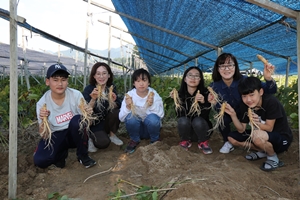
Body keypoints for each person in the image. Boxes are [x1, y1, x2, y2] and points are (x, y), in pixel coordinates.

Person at [209, 53, 277, 154]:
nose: (226, 69)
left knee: (256, 124)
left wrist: (268, 78)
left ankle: (261, 141)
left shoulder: (245, 80)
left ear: (235, 67)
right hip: (229, 113)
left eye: (230, 65)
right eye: (222, 66)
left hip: (246, 111)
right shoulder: (214, 86)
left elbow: (270, 90)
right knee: (221, 118)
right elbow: (219, 108)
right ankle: (228, 141)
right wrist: (214, 104)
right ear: (217, 69)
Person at [34, 63, 96, 169]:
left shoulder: (75, 95)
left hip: (73, 134)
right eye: (55, 80)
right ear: (47, 81)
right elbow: (43, 135)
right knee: (40, 161)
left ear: (67, 81)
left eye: (63, 79)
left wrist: (88, 113)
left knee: (78, 121)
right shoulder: (42, 103)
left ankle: (83, 156)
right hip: (56, 135)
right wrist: (44, 120)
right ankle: (61, 154)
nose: (60, 84)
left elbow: (87, 123)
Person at [224, 76, 293, 171]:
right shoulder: (245, 105)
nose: (248, 99)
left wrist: (258, 123)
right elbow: (241, 129)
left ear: (260, 92)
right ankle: (263, 150)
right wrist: (233, 114)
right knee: (231, 138)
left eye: (252, 95)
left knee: (256, 136)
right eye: (244, 96)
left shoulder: (271, 102)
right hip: (259, 135)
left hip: (281, 138)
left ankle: (273, 157)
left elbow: (269, 128)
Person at [119, 68, 164, 153]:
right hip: (136, 130)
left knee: (153, 118)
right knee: (131, 118)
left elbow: (161, 115)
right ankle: (134, 140)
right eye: (138, 81)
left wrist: (152, 104)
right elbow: (121, 118)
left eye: (144, 80)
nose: (141, 83)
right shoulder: (129, 96)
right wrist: (128, 107)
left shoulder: (154, 95)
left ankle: (155, 140)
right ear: (134, 83)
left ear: (149, 82)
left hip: (150, 129)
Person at [82, 62, 123, 153]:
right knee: (103, 143)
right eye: (98, 74)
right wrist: (93, 99)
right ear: (94, 76)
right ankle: (89, 138)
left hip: (106, 122)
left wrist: (113, 102)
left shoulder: (111, 88)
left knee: (117, 110)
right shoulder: (89, 89)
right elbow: (86, 111)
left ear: (109, 75)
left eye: (104, 73)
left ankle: (112, 135)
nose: (101, 76)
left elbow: (118, 104)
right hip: (94, 124)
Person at [171, 67, 212, 154]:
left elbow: (205, 116)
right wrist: (176, 101)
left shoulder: (205, 93)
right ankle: (185, 140)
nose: (193, 78)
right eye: (190, 75)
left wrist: (204, 103)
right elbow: (179, 115)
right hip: (187, 132)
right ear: (185, 79)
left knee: (198, 120)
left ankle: (203, 142)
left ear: (200, 79)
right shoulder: (179, 94)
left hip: (201, 131)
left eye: (196, 76)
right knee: (182, 120)